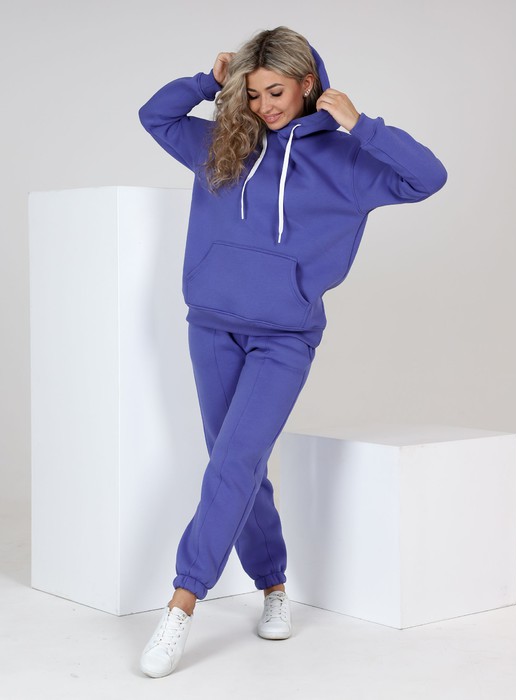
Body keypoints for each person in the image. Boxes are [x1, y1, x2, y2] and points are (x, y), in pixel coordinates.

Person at [137, 25, 447, 677]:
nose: (263, 107)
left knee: (233, 462)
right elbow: (154, 115)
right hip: (210, 327)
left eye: (275, 92)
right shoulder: (225, 144)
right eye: (251, 94)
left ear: (308, 84)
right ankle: (273, 584)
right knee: (235, 464)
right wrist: (207, 81)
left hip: (283, 338)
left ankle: (180, 606)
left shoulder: (348, 162)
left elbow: (428, 176)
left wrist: (362, 125)